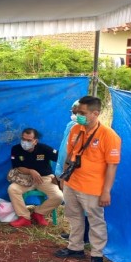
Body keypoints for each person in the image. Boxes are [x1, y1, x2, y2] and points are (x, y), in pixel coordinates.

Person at [55, 95, 121, 262]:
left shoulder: (109, 135)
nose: (78, 116)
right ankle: (75, 247)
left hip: (93, 188)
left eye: (82, 113)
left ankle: (97, 255)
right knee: (73, 216)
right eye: (77, 112)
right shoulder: (76, 129)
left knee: (96, 221)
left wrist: (106, 191)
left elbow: (112, 166)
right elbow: (70, 155)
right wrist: (64, 178)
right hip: (72, 183)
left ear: (95, 113)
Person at [7, 128, 63, 228]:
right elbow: (17, 167)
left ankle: (38, 213)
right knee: (12, 189)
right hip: (25, 178)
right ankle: (24, 217)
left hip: (44, 178)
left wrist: (59, 176)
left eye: (29, 140)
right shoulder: (16, 149)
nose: (25, 142)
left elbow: (61, 159)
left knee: (58, 197)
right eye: (23, 139)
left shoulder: (44, 148)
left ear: (35, 141)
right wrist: (30, 171)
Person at [55, 100, 90, 243]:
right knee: (74, 207)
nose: (74, 113)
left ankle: (85, 236)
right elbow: (65, 151)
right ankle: (76, 235)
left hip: (79, 172)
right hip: (68, 170)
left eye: (78, 110)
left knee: (84, 206)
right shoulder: (71, 126)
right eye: (73, 110)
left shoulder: (90, 130)